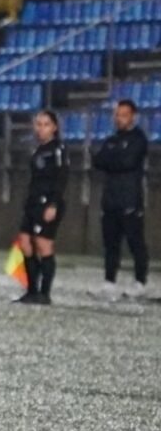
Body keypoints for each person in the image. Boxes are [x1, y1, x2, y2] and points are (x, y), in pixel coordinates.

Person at [91, 99, 149, 301]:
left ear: (133, 116)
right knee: (110, 243)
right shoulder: (112, 139)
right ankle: (109, 282)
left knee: (135, 242)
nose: (119, 118)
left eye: (123, 114)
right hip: (111, 199)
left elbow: (127, 161)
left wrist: (112, 160)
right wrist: (113, 159)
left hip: (130, 198)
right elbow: (98, 161)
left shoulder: (139, 139)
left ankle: (140, 282)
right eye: (117, 114)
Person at [14, 110, 68, 306]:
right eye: (38, 124)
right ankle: (31, 290)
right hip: (33, 202)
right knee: (25, 243)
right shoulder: (37, 150)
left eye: (45, 124)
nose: (41, 128)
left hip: (48, 202)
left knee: (43, 244)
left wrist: (53, 204)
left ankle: (44, 294)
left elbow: (62, 178)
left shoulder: (58, 149)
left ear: (54, 127)